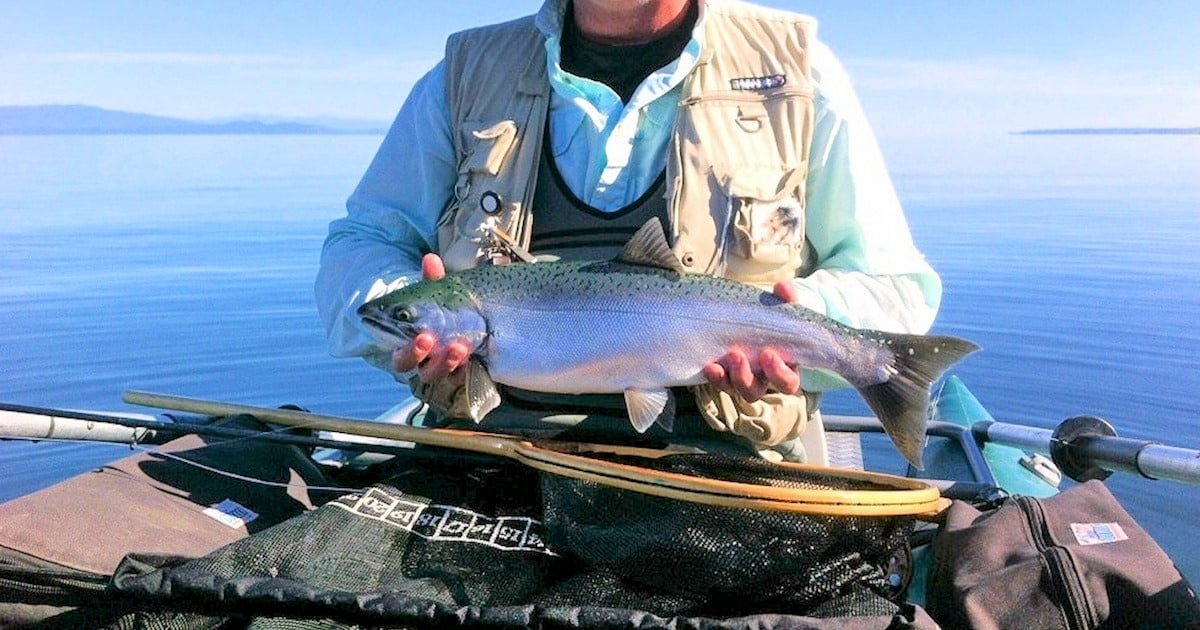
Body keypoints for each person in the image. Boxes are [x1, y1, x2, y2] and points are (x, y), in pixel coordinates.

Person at [315, 0, 942, 464]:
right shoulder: (462, 76)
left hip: (727, 461)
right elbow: (364, 241)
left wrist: (788, 326)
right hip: (485, 447)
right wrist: (412, 319)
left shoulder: (801, 74)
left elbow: (895, 285)